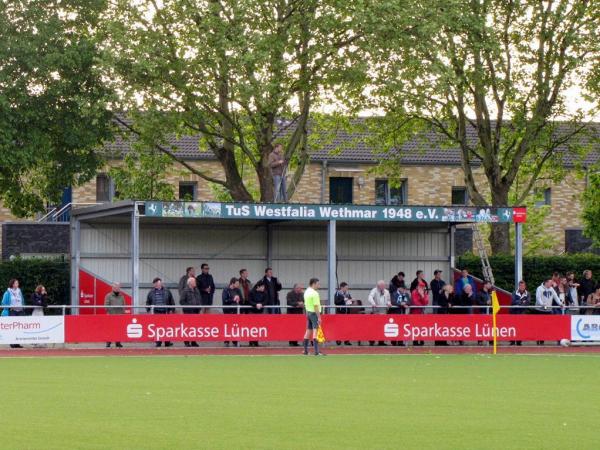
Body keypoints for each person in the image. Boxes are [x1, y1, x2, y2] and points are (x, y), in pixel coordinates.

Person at [146, 277, 175, 347]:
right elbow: (148, 302)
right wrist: (148, 310)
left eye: (159, 283)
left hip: (165, 312)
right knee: (157, 328)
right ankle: (158, 342)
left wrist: (172, 310)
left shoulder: (167, 291)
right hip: (156, 312)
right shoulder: (151, 292)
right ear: (154, 284)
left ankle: (167, 342)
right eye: (157, 283)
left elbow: (172, 301)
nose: (158, 284)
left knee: (167, 328)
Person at [535, 278, 563, 345]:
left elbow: (556, 297)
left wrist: (560, 304)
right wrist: (542, 304)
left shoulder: (551, 288)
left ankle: (547, 339)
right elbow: (538, 298)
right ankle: (539, 340)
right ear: (546, 282)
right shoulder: (539, 288)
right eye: (550, 282)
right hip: (540, 310)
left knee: (548, 326)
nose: (551, 284)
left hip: (548, 310)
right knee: (539, 326)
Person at [302, 278, 324, 356]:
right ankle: (316, 351)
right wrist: (319, 317)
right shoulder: (315, 293)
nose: (319, 285)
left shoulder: (306, 291)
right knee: (315, 331)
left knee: (308, 331)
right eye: (318, 284)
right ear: (313, 284)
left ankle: (305, 350)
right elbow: (315, 306)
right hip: (314, 313)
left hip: (308, 312)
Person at [2, 279, 25, 348]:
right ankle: (12, 342)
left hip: (20, 311)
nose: (18, 284)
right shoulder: (7, 292)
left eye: (18, 283)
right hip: (12, 311)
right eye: (16, 283)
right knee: (13, 327)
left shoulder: (19, 291)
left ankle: (17, 343)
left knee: (19, 327)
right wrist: (9, 308)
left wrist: (23, 307)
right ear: (12, 284)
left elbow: (22, 300)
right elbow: (3, 302)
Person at [180, 277, 202, 347]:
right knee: (187, 327)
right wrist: (188, 307)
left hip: (196, 312)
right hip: (188, 312)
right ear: (190, 283)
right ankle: (186, 342)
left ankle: (193, 341)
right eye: (194, 282)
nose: (195, 283)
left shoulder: (197, 290)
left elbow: (199, 299)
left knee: (194, 327)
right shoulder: (185, 291)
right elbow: (182, 301)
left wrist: (199, 306)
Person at [367, 280, 391, 346]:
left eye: (384, 286)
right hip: (376, 312)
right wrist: (373, 303)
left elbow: (388, 300)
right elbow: (370, 297)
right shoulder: (374, 290)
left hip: (383, 312)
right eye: (381, 286)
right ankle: (371, 341)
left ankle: (381, 342)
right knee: (373, 328)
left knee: (382, 328)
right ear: (378, 286)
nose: (383, 287)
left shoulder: (387, 292)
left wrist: (389, 304)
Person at [222, 278, 243, 347]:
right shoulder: (226, 290)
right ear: (232, 283)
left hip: (236, 311)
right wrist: (233, 299)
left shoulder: (238, 290)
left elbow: (242, 300)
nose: (238, 285)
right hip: (228, 311)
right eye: (237, 284)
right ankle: (226, 341)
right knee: (227, 326)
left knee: (235, 326)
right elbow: (225, 300)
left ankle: (235, 341)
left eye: (238, 284)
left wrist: (239, 299)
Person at [104, 282, 125, 348]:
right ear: (112, 288)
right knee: (109, 330)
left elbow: (124, 305)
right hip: (111, 316)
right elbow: (106, 306)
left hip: (119, 316)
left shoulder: (122, 296)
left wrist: (122, 313)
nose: (117, 288)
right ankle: (108, 342)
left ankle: (118, 342)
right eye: (116, 287)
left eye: (118, 287)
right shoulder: (108, 295)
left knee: (119, 330)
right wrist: (110, 312)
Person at [511, 280, 530, 346]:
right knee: (513, 327)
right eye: (520, 286)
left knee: (520, 328)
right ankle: (512, 341)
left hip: (522, 312)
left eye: (523, 286)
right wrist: (522, 301)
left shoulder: (528, 293)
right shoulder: (514, 292)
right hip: (514, 312)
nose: (522, 287)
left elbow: (527, 303)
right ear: (518, 286)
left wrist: (519, 302)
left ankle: (519, 341)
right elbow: (513, 301)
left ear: (525, 286)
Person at [247, 281, 267, 347]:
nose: (263, 288)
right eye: (262, 286)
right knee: (251, 327)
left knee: (258, 327)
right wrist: (256, 304)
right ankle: (251, 342)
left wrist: (261, 304)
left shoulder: (264, 293)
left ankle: (256, 341)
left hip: (259, 312)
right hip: (252, 312)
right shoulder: (251, 292)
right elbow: (249, 301)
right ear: (258, 286)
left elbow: (266, 301)